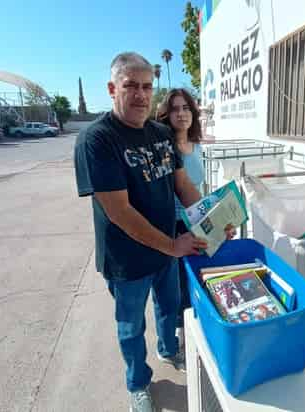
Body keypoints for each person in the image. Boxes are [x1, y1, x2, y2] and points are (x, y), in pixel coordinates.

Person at [74, 52, 209, 412]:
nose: (140, 95)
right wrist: (172, 245)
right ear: (112, 88)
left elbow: (183, 185)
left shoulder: (162, 134)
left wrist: (207, 219)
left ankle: (169, 351)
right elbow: (119, 212)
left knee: (168, 311)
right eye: (130, 85)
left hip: (167, 251)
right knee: (130, 327)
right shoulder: (97, 140)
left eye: (147, 86)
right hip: (127, 259)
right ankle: (138, 383)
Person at [157, 88, 205, 349]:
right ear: (167, 114)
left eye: (186, 107)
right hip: (172, 224)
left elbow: (199, 187)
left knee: (194, 281)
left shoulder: (197, 146)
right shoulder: (162, 148)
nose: (181, 113)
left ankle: (192, 333)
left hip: (196, 220)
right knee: (173, 289)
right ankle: (174, 341)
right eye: (175, 109)